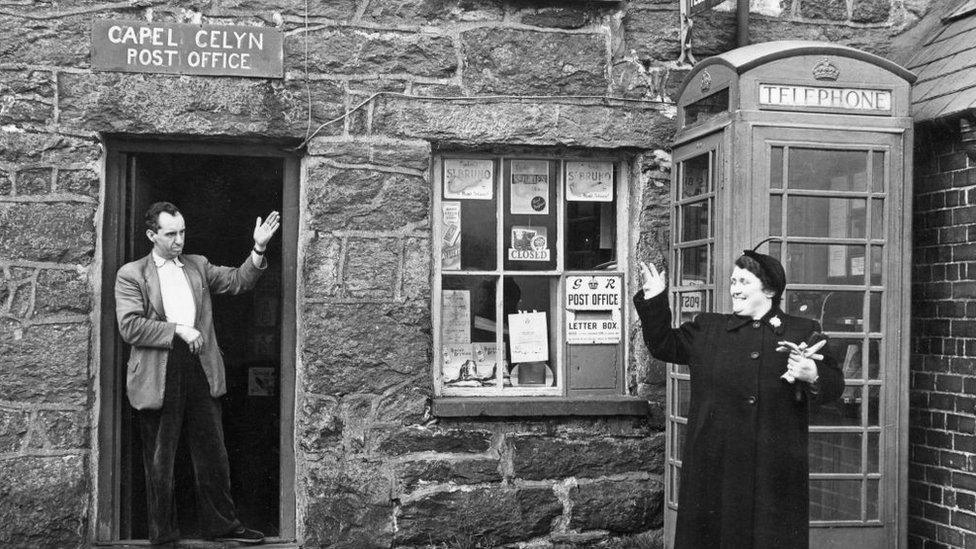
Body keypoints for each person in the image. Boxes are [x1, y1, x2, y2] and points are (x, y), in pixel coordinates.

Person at [633, 245, 843, 549]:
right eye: (733, 282)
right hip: (715, 462)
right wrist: (654, 299)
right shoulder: (708, 329)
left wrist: (812, 374)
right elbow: (664, 344)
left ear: (769, 290)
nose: (735, 289)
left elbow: (835, 385)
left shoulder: (802, 332)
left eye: (744, 282)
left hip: (774, 468)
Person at [115, 201, 280, 545]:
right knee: (161, 458)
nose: (179, 240)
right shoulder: (132, 274)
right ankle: (163, 534)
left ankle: (221, 525)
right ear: (152, 235)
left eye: (183, 232)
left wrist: (259, 248)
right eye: (171, 234)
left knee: (213, 452)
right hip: (159, 371)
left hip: (200, 367)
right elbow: (129, 327)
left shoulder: (197, 266)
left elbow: (238, 281)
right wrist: (177, 330)